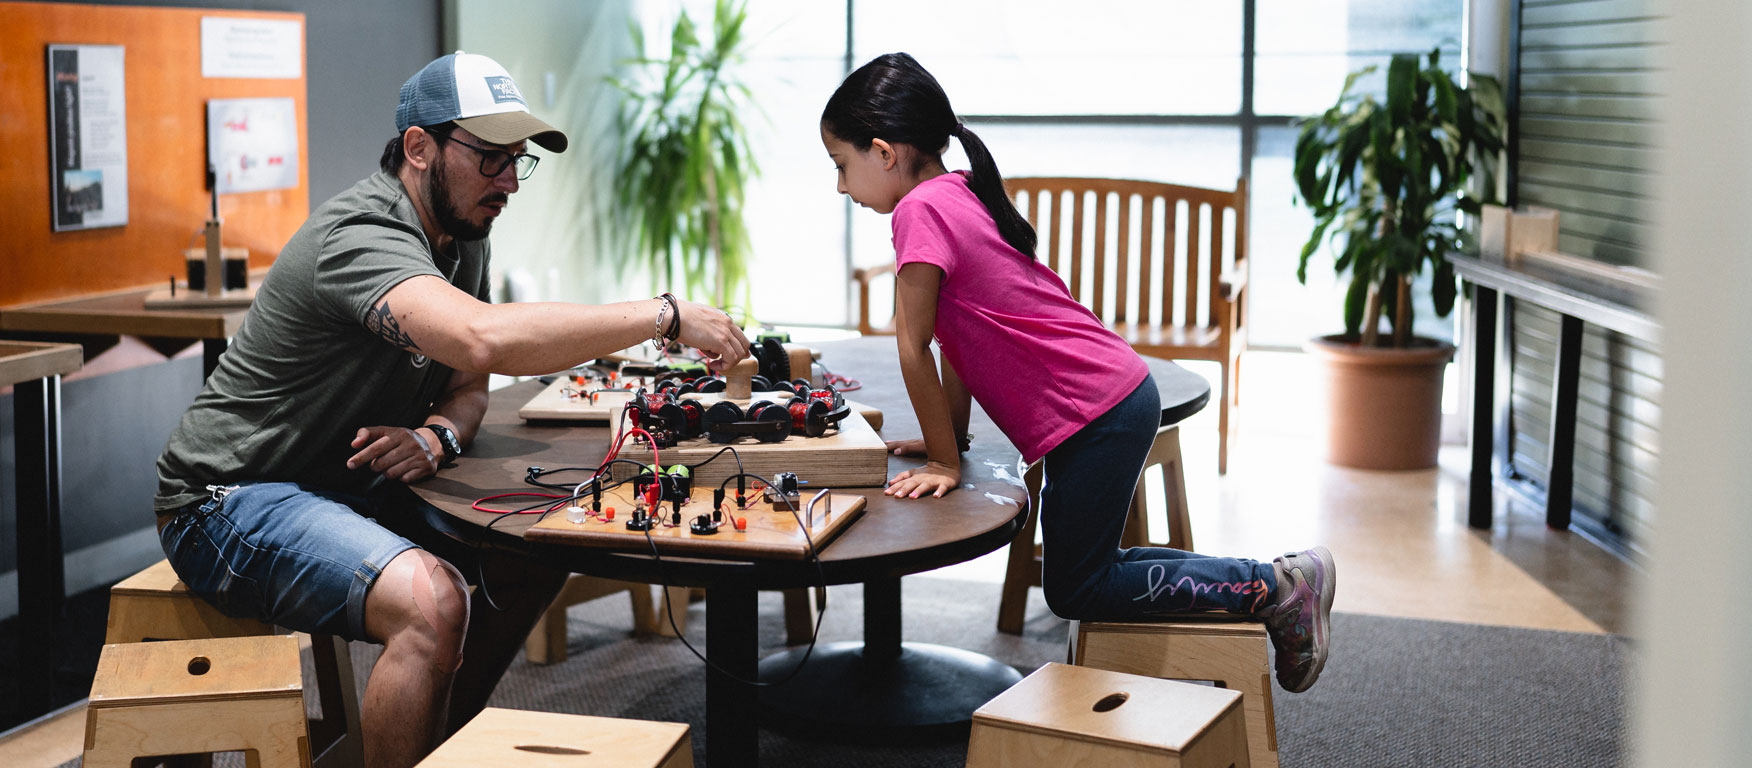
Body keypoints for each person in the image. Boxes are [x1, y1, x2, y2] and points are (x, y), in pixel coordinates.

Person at [153, 52, 749, 768]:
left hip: (339, 483)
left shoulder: (462, 238)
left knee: (539, 540)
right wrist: (663, 313)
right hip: (226, 498)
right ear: (418, 148)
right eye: (490, 158)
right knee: (432, 603)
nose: (507, 182)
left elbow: (468, 381)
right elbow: (483, 338)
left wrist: (437, 436)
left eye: (517, 162)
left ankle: (439, 744)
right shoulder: (361, 235)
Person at [819, 53, 1336, 693]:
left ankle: (1275, 587)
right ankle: (1277, 582)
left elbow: (913, 346)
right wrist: (946, 439)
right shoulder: (956, 190)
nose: (841, 187)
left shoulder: (919, 211)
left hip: (1096, 414)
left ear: (883, 151)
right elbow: (957, 340)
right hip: (1108, 402)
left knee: (1076, 584)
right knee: (1090, 569)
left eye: (842, 166)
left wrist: (947, 465)